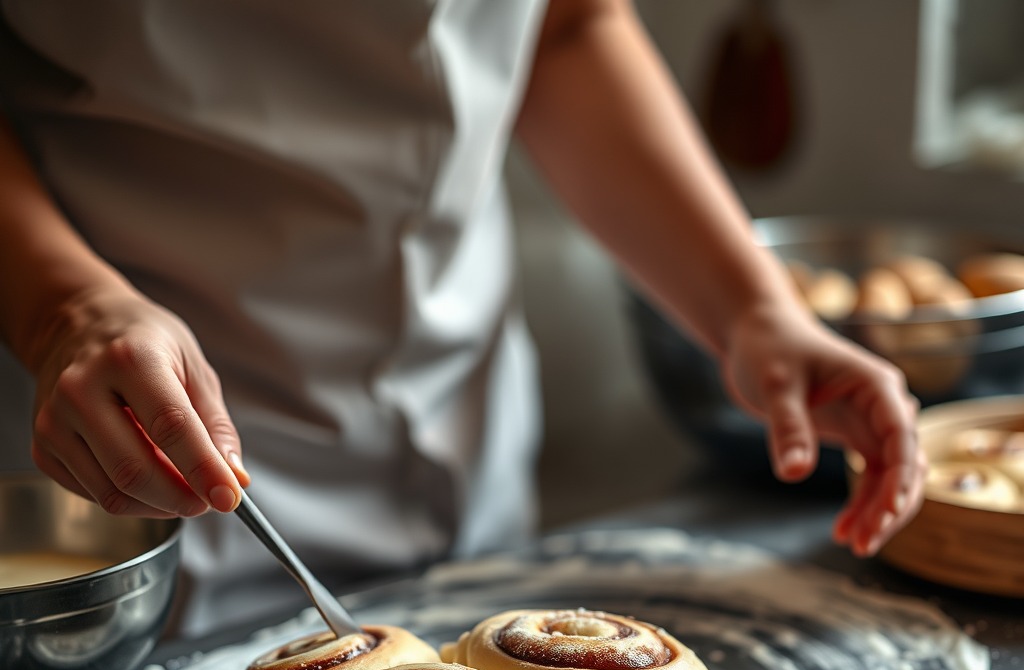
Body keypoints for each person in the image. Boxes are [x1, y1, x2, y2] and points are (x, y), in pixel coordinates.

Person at [0, 0, 924, 636]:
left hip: (462, 422)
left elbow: (566, 26)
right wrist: (63, 309)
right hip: (121, 437)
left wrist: (752, 306)